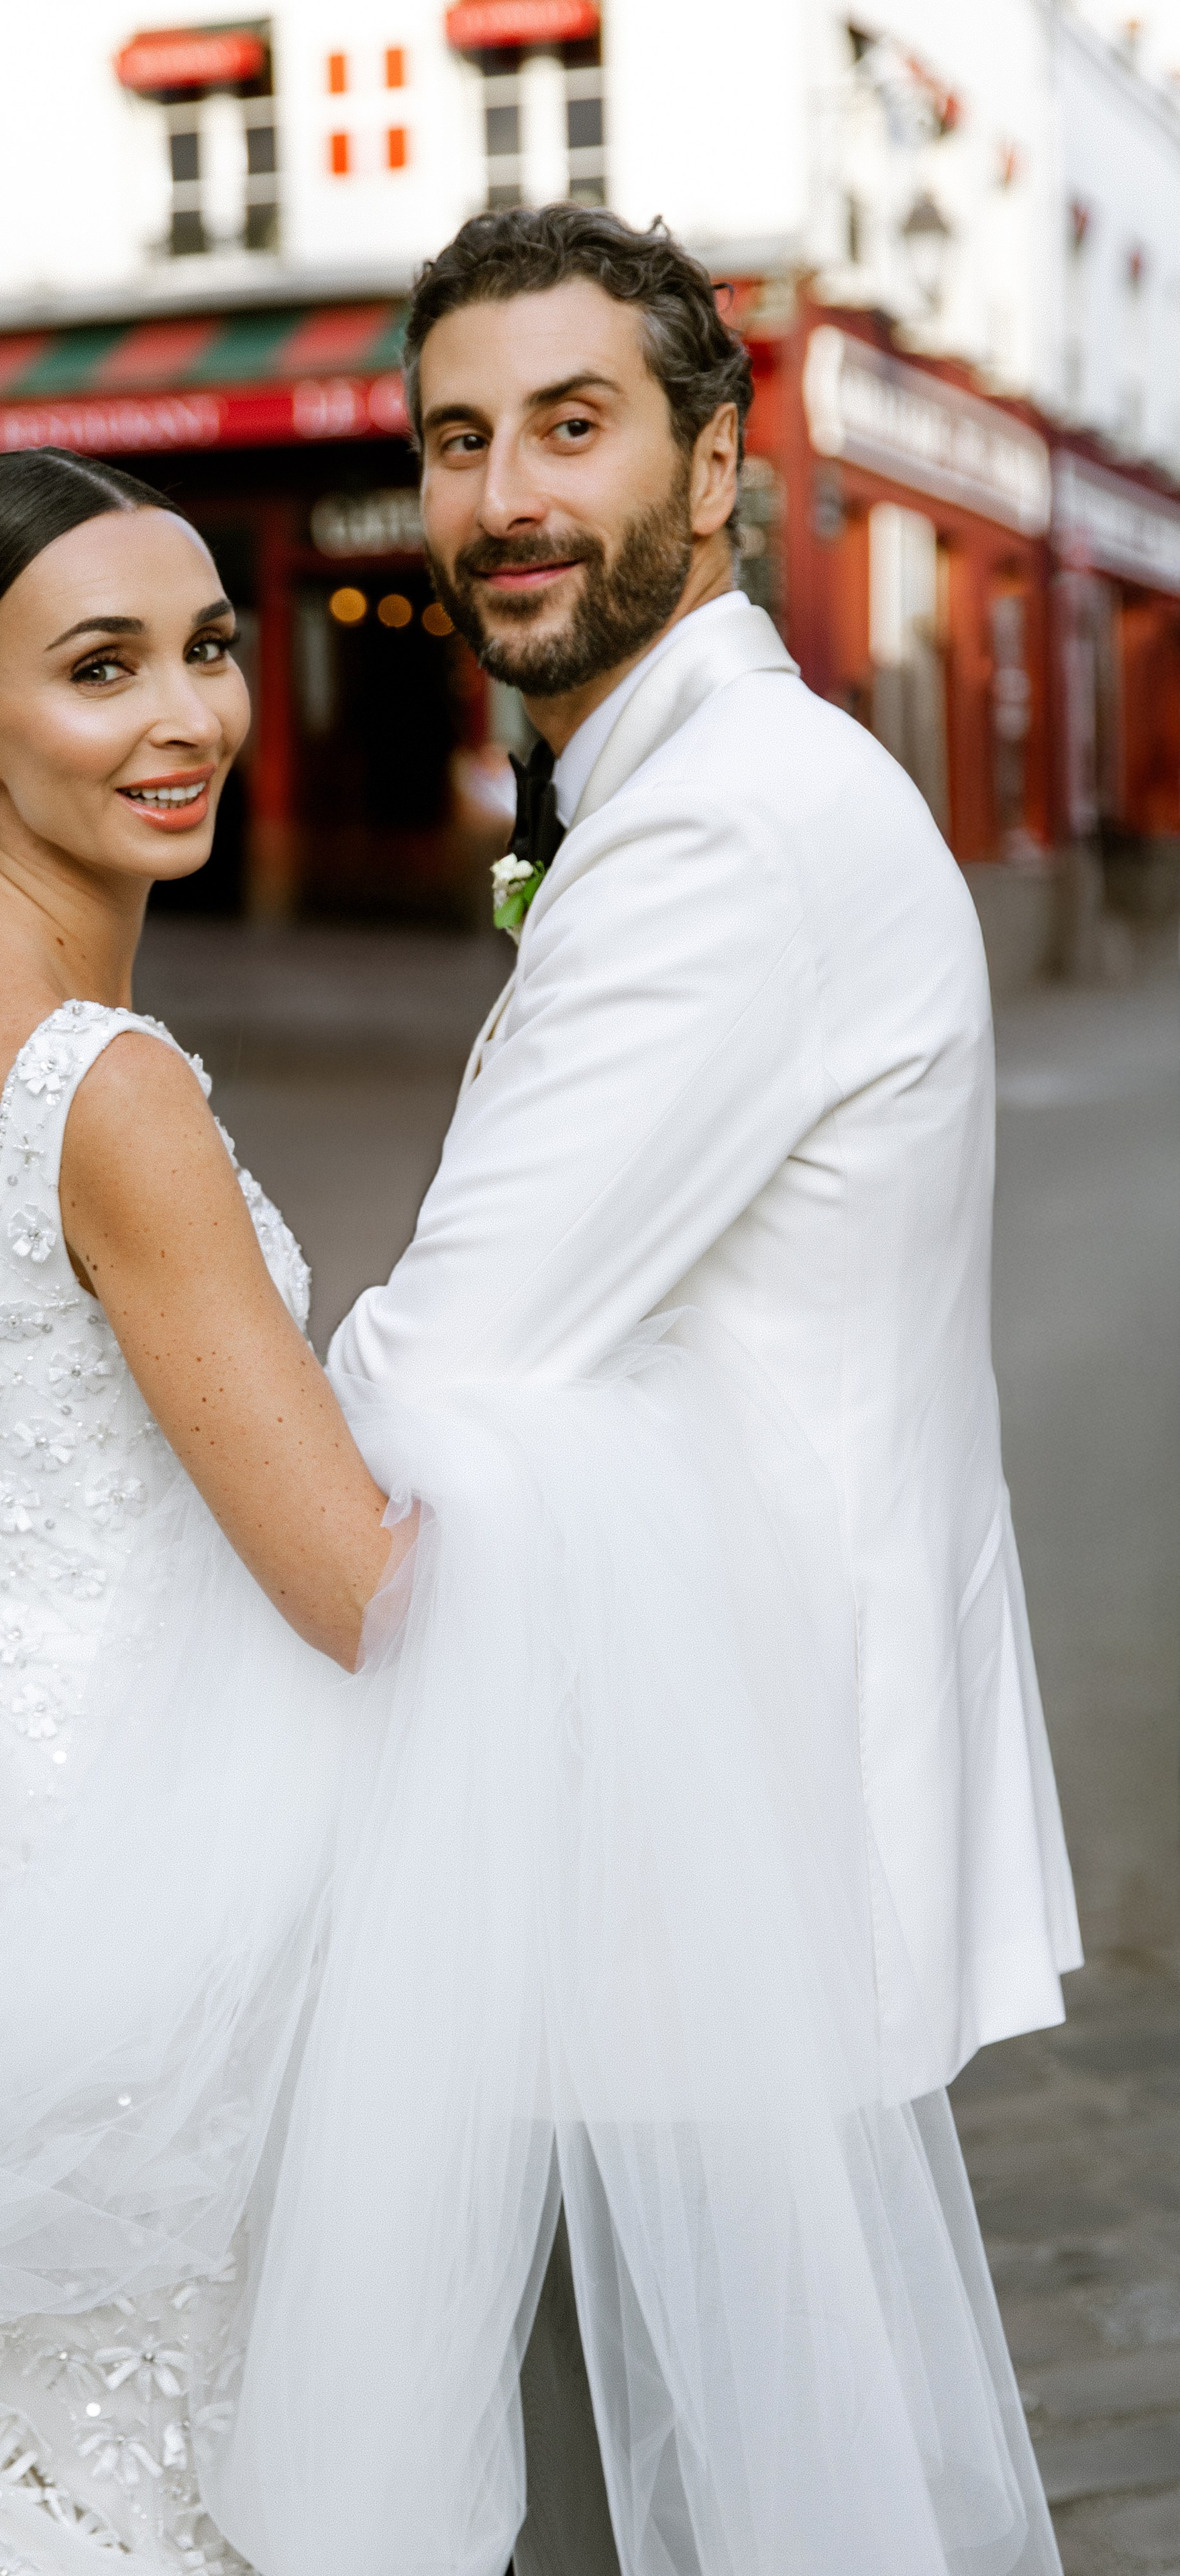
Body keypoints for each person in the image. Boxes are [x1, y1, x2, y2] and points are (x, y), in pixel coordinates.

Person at [0, 442, 1063, 2576]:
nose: (187, 718)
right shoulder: (103, 1095)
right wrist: (651, 1498)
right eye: (98, 667)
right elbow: (358, 1590)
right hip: (126, 1924)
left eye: (209, 651)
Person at [329, 203, 1079, 2575]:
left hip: (686, 1848)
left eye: (572, 423)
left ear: (720, 468)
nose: (504, 494)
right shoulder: (680, 796)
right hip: (681, 1824)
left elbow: (443, 1367)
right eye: (460, 440)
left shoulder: (730, 831)